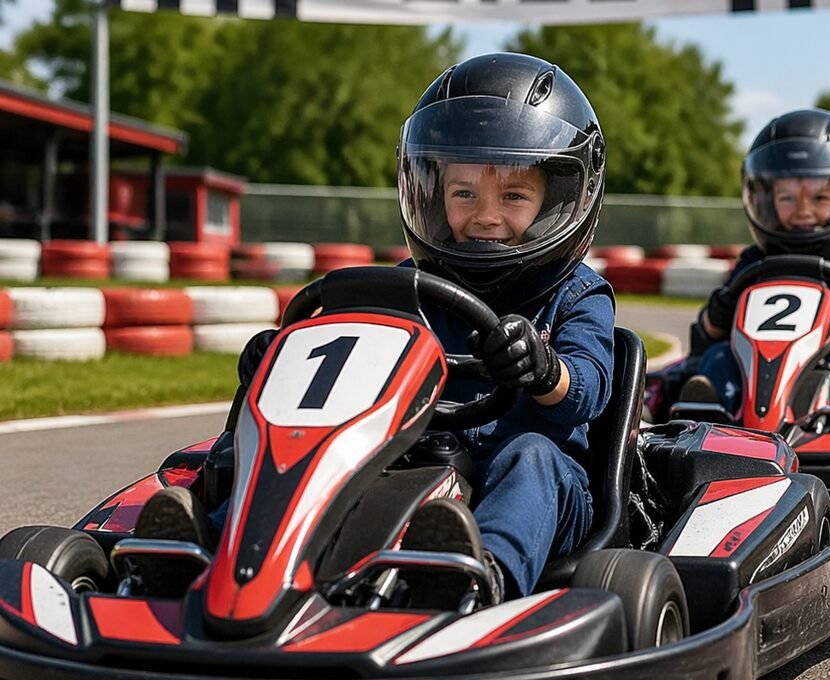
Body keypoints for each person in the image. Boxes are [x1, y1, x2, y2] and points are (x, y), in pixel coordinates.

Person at [137, 53, 614, 606]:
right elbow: (343, 358)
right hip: (416, 462)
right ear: (433, 193)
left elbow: (589, 388)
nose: (485, 215)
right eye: (464, 193)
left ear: (559, 199)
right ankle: (208, 549)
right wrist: (283, 361)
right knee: (318, 452)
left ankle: (478, 577)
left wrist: (543, 370)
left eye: (513, 196)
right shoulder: (407, 286)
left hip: (540, 493)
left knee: (531, 455)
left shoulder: (576, 294)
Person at [681, 108, 830, 425]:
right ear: (766, 200)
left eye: (819, 198)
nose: (803, 210)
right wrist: (718, 314)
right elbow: (706, 332)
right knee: (717, 356)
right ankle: (703, 415)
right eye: (787, 198)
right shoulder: (754, 261)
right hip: (758, 374)